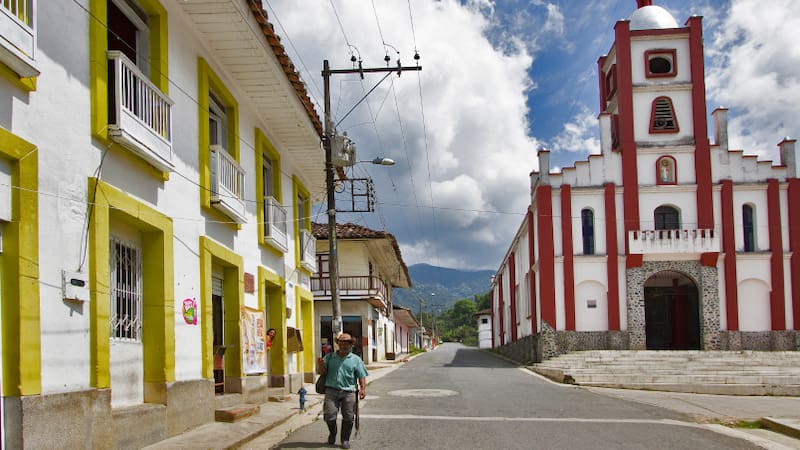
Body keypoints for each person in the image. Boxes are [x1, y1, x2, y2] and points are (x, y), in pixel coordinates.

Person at [317, 333, 368, 449]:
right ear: (338, 343)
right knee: (329, 416)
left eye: (347, 343)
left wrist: (363, 389)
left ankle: (345, 439)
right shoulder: (330, 357)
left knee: (349, 417)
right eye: (341, 342)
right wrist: (320, 365)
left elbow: (361, 375)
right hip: (331, 390)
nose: (344, 345)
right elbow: (322, 373)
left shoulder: (356, 359)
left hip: (349, 392)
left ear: (351, 345)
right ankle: (333, 432)